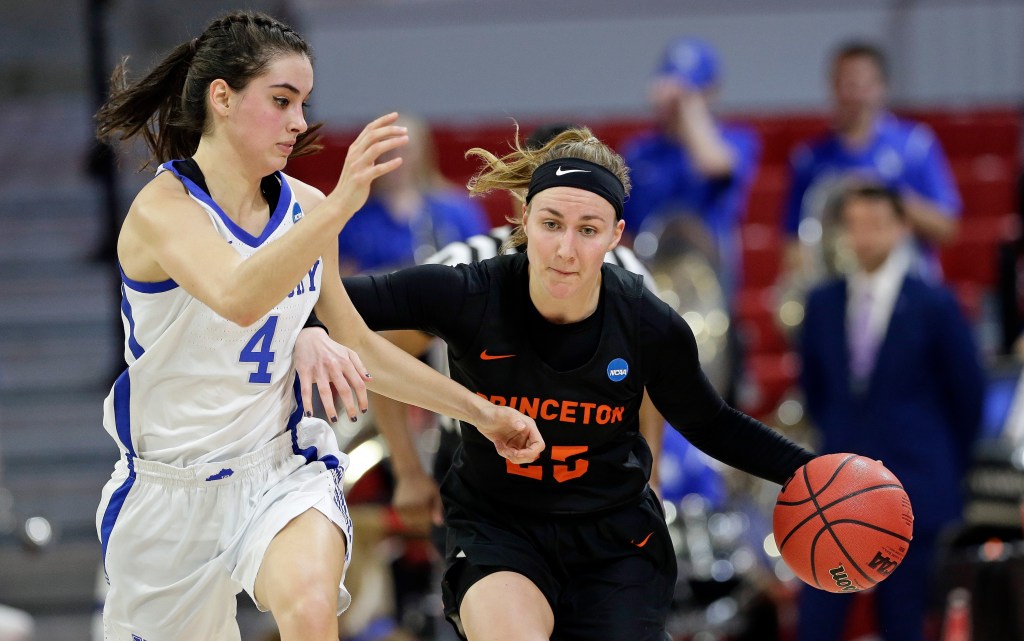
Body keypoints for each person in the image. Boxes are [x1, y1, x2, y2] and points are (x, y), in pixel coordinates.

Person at [91, 11, 542, 641]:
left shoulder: (306, 206)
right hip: (168, 489)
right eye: (282, 100)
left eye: (303, 102)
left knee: (309, 607)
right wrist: (339, 211)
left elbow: (362, 346)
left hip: (278, 466)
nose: (300, 121)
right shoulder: (164, 209)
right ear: (222, 97)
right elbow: (238, 297)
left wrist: (481, 413)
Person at [335, 126, 815, 641]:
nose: (565, 249)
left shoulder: (645, 317)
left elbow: (709, 421)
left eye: (588, 229)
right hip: (497, 521)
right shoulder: (466, 282)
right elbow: (334, 308)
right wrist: (331, 215)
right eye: (551, 223)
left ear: (615, 235)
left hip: (612, 534)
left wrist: (810, 471)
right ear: (523, 217)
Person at [798, 184, 985, 641]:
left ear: (902, 228)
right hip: (836, 490)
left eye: (876, 224)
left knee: (904, 623)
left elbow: (968, 394)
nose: (864, 237)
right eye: (855, 225)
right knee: (816, 621)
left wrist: (941, 465)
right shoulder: (822, 303)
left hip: (915, 488)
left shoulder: (934, 303)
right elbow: (816, 391)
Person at [782, 41, 962, 285]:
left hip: (906, 287)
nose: (856, 94)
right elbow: (793, 243)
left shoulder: (915, 146)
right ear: (832, 87)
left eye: (865, 83)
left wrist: (886, 198)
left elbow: (947, 228)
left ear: (882, 87)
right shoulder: (809, 159)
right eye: (848, 83)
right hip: (836, 289)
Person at [621, 36, 760, 299]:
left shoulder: (736, 139)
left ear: (711, 93)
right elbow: (625, 229)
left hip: (710, 280)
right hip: (650, 279)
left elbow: (713, 164)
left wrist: (689, 104)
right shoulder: (639, 151)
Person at [337, 114, 489, 275]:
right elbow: (341, 276)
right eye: (388, 151)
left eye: (406, 150)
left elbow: (482, 267)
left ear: (422, 153)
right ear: (373, 156)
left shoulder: (458, 209)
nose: (397, 158)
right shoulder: (354, 217)